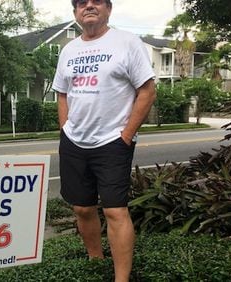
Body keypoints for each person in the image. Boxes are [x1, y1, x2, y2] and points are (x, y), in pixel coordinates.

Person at [52, 0, 156, 281]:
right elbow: (62, 92)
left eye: (96, 1)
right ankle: (95, 260)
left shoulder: (127, 42)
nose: (88, 6)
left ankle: (121, 278)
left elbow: (147, 90)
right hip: (74, 141)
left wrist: (126, 135)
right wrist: (65, 128)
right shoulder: (68, 50)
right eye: (81, 3)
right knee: (82, 207)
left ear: (108, 8)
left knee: (114, 210)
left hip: (112, 141)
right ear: (75, 12)